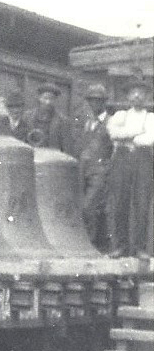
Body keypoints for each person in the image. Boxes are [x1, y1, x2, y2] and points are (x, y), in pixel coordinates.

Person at [103, 83, 153, 258]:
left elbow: (148, 140)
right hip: (122, 160)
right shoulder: (120, 115)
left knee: (142, 204)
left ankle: (140, 248)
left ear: (147, 96)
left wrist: (126, 134)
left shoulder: (151, 118)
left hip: (143, 160)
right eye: (134, 92)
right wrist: (137, 132)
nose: (137, 96)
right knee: (120, 203)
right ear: (128, 96)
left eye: (141, 93)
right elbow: (113, 134)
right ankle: (121, 247)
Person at [75, 83, 114, 251]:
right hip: (84, 170)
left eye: (98, 101)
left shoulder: (111, 123)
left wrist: (106, 170)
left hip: (101, 172)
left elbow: (114, 150)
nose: (94, 104)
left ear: (104, 102)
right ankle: (91, 243)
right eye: (91, 100)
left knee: (89, 207)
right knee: (84, 207)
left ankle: (91, 245)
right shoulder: (87, 122)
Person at [23, 82, 73, 155]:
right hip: (29, 157)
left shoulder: (62, 121)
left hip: (51, 160)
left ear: (55, 100)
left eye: (51, 99)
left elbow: (67, 147)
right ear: (39, 98)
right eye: (45, 98)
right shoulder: (27, 116)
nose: (48, 102)